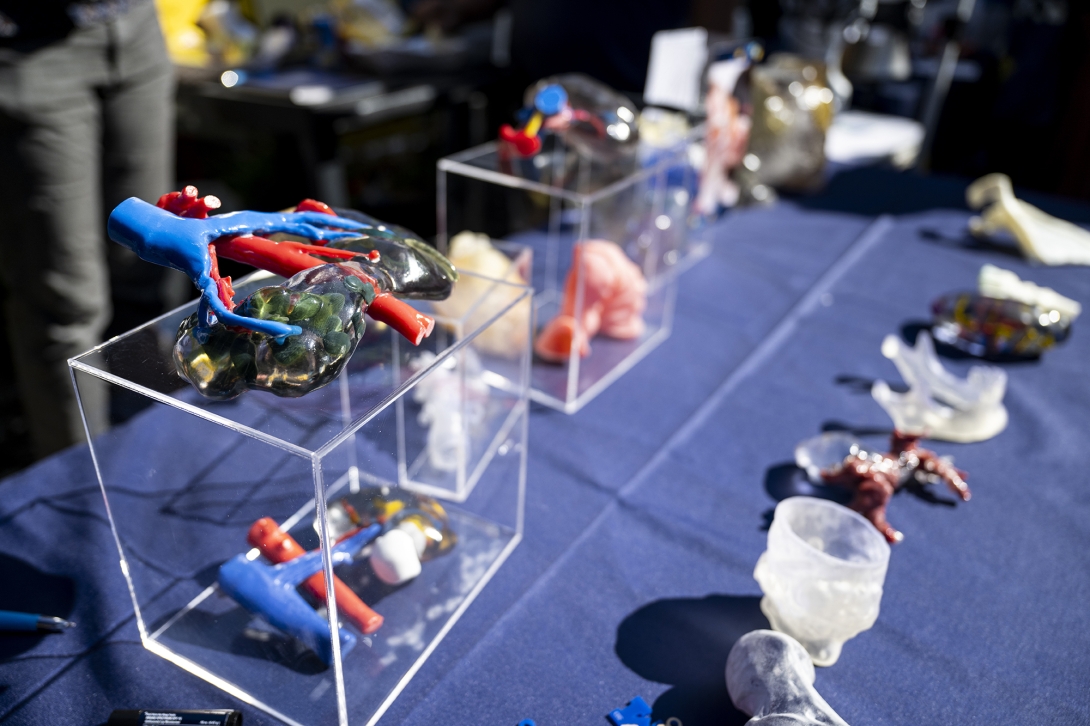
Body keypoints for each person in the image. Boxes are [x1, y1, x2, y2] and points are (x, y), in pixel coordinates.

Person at [0, 0, 174, 458]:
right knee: (68, 306)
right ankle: (81, 496)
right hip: (31, 49)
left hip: (135, 29)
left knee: (150, 263)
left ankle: (153, 460)